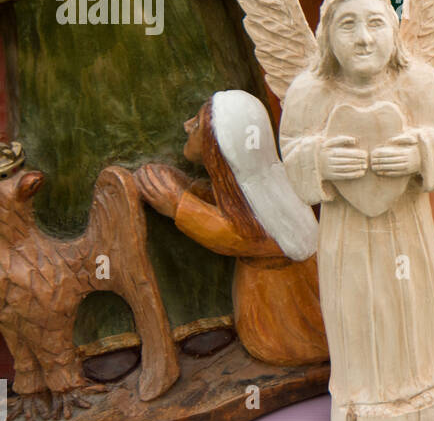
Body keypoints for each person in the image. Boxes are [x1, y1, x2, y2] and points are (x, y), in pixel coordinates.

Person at [280, 0, 434, 421]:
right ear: (327, 36)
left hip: (408, 229)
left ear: (394, 30)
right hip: (347, 235)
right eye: (347, 26)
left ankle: (423, 380)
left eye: (376, 23)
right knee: (356, 303)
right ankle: (361, 393)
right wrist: (319, 160)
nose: (363, 39)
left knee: (411, 301)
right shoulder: (308, 93)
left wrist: (420, 153)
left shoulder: (417, 81)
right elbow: (290, 153)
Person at [135, 91, 328, 367]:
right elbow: (236, 208)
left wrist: (179, 204)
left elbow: (233, 234)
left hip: (287, 335)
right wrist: (191, 190)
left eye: (199, 124)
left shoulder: (274, 207)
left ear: (221, 144)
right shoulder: (260, 187)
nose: (188, 125)